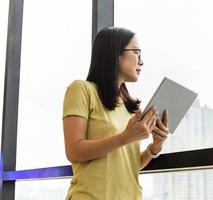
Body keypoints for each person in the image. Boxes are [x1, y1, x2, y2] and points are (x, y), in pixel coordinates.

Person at [62, 27, 169, 200]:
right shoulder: (81, 90)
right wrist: (125, 137)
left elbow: (127, 165)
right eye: (136, 52)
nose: (141, 62)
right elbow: (74, 151)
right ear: (115, 54)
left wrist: (155, 147)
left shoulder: (131, 107)